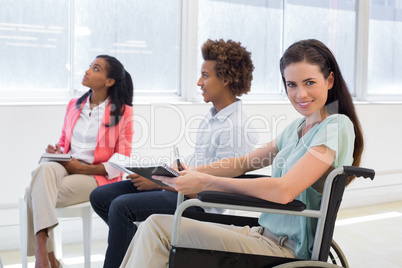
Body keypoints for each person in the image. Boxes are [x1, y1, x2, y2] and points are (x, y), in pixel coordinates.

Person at [119, 39, 364, 267]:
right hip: (262, 234)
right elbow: (245, 162)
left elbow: (284, 190)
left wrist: (206, 182)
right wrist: (193, 170)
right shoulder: (298, 128)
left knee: (157, 230)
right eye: (292, 84)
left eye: (309, 82)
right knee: (153, 226)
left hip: (284, 249)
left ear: (329, 81)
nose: (300, 94)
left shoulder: (335, 126)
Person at [89, 39, 258, 268]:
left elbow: (216, 184)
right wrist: (159, 173)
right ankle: (137, 248)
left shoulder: (236, 127)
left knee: (121, 207)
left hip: (197, 203)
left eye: (205, 76)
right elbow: (198, 163)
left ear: (226, 80)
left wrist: (158, 183)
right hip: (180, 187)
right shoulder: (213, 116)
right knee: (100, 197)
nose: (199, 82)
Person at [24, 55, 134, 268]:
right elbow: (64, 142)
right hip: (65, 166)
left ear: (109, 81)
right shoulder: (74, 105)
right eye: (90, 66)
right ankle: (44, 255)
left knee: (33, 192)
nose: (87, 71)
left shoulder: (123, 113)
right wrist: (57, 150)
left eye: (96, 68)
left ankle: (47, 258)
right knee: (45, 168)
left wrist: (81, 168)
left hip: (96, 177)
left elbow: (121, 160)